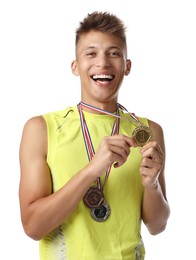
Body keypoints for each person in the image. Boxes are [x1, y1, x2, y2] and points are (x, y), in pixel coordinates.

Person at [19, 11, 170, 260]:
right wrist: (92, 169)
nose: (103, 63)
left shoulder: (149, 131)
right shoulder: (40, 129)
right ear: (75, 66)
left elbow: (158, 226)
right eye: (91, 53)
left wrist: (151, 185)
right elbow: (33, 227)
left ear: (127, 66)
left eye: (114, 53)